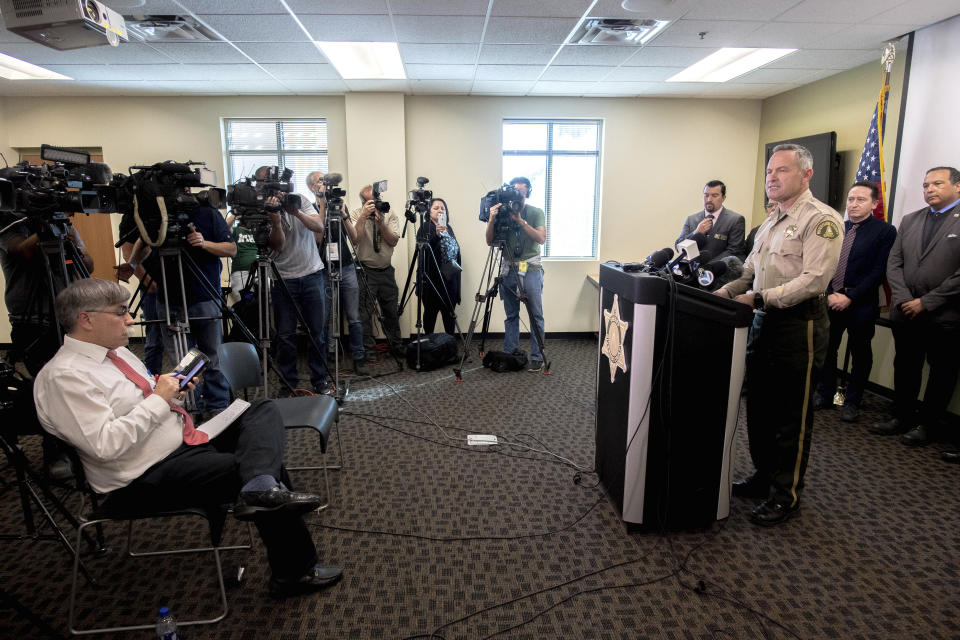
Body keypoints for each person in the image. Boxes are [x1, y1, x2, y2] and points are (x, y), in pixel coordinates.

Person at [32, 278, 342, 598]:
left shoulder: (118, 353)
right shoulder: (65, 377)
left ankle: (259, 486)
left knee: (260, 410)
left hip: (180, 441)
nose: (130, 319)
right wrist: (158, 399)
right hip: (141, 475)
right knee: (255, 465)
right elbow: (105, 445)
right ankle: (291, 568)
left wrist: (173, 395)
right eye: (121, 312)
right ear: (86, 319)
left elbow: (149, 405)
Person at [716, 144, 843, 526]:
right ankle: (763, 475)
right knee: (759, 407)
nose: (771, 177)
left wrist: (760, 297)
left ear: (806, 175)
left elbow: (814, 280)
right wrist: (725, 293)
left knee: (791, 415)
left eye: (782, 171)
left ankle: (785, 495)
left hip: (798, 325)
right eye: (770, 171)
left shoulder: (821, 220)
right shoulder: (770, 221)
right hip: (762, 322)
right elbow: (749, 271)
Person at [870, 166, 960, 463]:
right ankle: (901, 416)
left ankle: (928, 424)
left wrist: (927, 302)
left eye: (937, 183)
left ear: (957, 187)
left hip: (944, 315)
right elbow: (894, 263)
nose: (929, 189)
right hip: (905, 312)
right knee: (906, 366)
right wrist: (906, 298)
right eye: (925, 185)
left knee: (941, 373)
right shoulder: (910, 220)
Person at [118, 199, 235, 416]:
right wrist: (133, 264)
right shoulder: (155, 215)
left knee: (212, 355)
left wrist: (204, 243)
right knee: (182, 362)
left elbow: (231, 249)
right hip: (168, 298)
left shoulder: (207, 212)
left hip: (205, 295)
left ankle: (218, 406)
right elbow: (143, 242)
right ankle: (190, 408)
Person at [812, 182, 897, 423]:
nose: (854, 204)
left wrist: (850, 296)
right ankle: (825, 393)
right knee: (827, 349)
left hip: (861, 301)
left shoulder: (885, 231)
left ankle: (852, 401)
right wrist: (830, 292)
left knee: (861, 352)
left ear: (874, 203)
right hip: (831, 297)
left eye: (860, 199)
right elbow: (823, 263)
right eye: (850, 199)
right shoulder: (836, 226)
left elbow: (879, 270)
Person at [263, 166, 330, 394]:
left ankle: (319, 379)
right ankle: (287, 383)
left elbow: (318, 226)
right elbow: (277, 245)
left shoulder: (299, 200)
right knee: (285, 336)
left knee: (317, 332)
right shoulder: (265, 210)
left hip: (312, 274)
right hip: (284, 280)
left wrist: (296, 212)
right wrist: (275, 220)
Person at [486, 177, 547, 372]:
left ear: (527, 193)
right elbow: (490, 241)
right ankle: (511, 353)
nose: (517, 197)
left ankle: (537, 356)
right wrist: (492, 218)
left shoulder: (535, 212)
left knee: (535, 314)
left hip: (530, 269)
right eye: (514, 192)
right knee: (511, 314)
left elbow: (541, 238)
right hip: (509, 268)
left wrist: (521, 221)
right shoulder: (503, 214)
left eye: (521, 193)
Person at [308, 172, 366, 375]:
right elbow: (317, 238)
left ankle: (359, 357)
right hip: (323, 268)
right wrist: (323, 208)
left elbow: (355, 237)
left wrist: (343, 214)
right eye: (320, 182)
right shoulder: (310, 210)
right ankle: (327, 358)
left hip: (347, 265)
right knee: (325, 317)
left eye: (326, 181)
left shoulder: (340, 205)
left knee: (353, 316)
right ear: (312, 188)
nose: (324, 185)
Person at [351, 184, 403, 360]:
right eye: (370, 202)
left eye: (377, 200)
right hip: (365, 271)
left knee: (391, 312)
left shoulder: (389, 213)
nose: (375, 204)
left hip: (386, 271)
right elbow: (355, 239)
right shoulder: (357, 214)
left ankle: (396, 347)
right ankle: (369, 351)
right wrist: (364, 216)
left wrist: (380, 222)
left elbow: (393, 240)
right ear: (364, 203)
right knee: (365, 313)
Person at [416, 197, 461, 335]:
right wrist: (435, 235)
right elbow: (424, 251)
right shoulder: (425, 227)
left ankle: (450, 349)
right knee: (430, 317)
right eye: (436, 208)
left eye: (443, 208)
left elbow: (455, 255)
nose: (440, 210)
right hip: (432, 283)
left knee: (449, 318)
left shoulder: (449, 229)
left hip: (449, 282)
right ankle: (428, 350)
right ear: (429, 212)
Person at [676, 180, 747, 261]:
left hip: (719, 271)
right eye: (706, 195)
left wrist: (709, 267)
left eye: (714, 195)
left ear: (723, 198)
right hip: (692, 271)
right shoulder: (691, 219)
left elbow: (734, 251)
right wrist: (696, 233)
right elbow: (678, 247)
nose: (709, 199)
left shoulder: (735, 220)